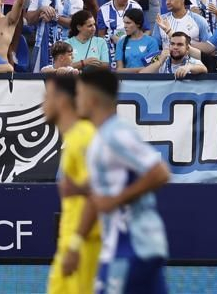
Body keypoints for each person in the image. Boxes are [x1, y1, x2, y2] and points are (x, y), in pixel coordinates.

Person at [62, 67, 169, 293]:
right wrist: (75, 243)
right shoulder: (100, 139)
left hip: (131, 245)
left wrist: (117, 199)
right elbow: (101, 194)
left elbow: (159, 172)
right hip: (132, 246)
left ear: (91, 99)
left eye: (79, 94)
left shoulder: (116, 134)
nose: (76, 101)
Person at [43, 72, 98, 294]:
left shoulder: (83, 137)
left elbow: (99, 192)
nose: (42, 105)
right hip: (71, 244)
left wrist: (75, 245)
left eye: (47, 97)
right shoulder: (73, 138)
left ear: (62, 100)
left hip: (84, 248)